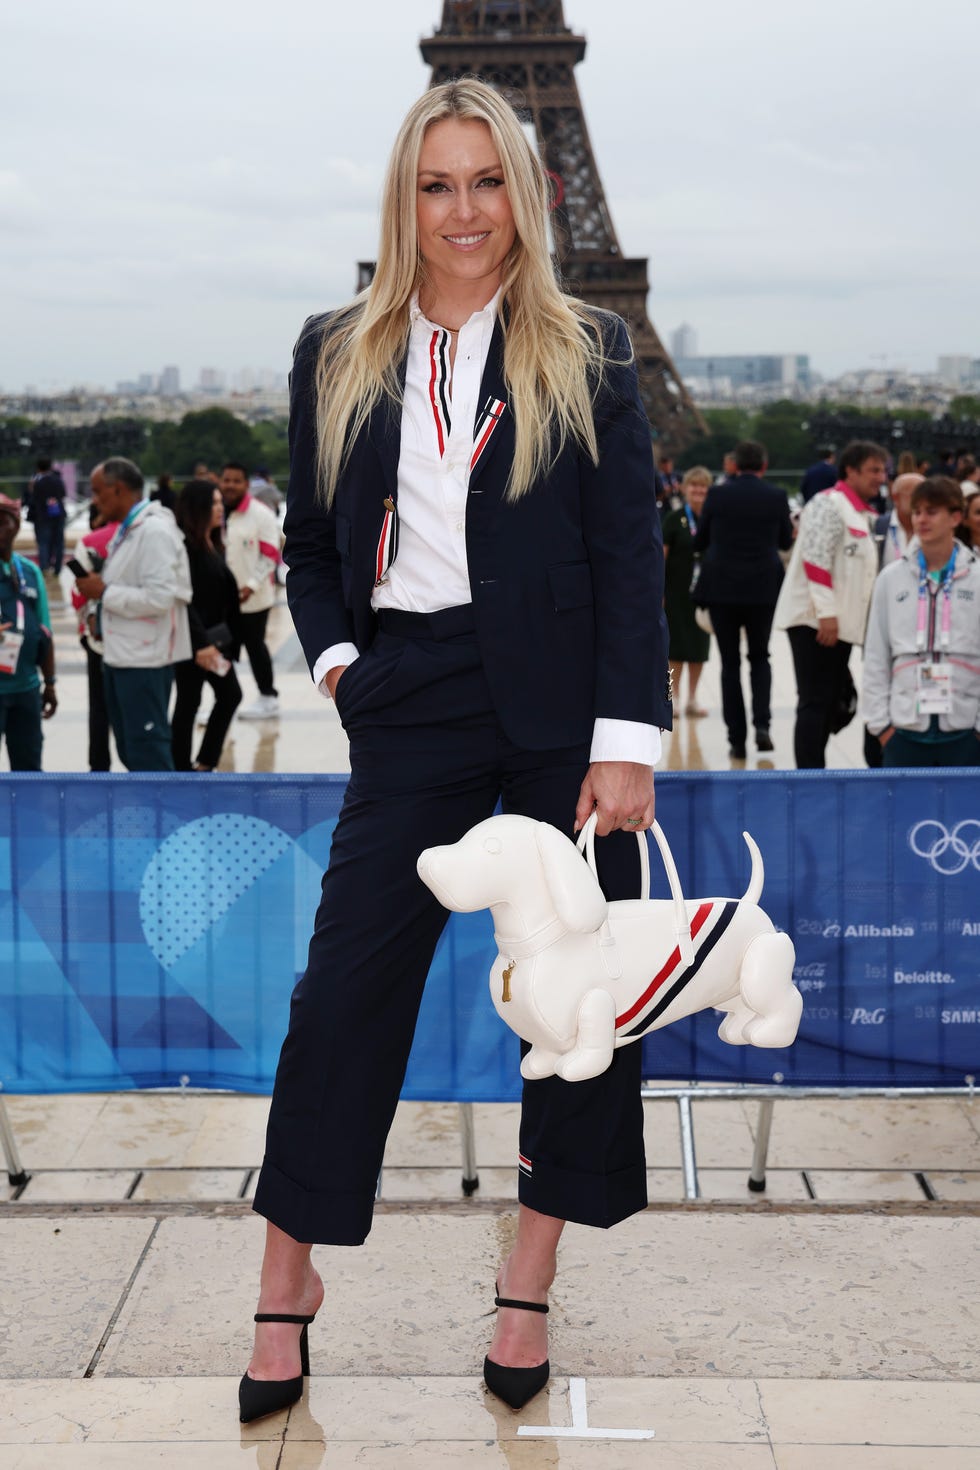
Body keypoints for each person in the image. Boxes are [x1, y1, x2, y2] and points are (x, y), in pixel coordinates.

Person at [240, 77, 670, 1425]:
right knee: (343, 993)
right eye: (438, 184)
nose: (465, 210)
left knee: (575, 1001)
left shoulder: (585, 347)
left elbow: (626, 552)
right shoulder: (336, 347)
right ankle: (286, 1272)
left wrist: (628, 741)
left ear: (527, 198)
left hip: (560, 711)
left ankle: (529, 1275)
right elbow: (310, 545)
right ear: (402, 198)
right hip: (411, 692)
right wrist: (342, 665)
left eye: (488, 182)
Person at [74, 458, 191, 772]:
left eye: (98, 492)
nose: (95, 500)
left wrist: (105, 594)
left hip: (145, 662)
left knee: (147, 752)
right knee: (130, 749)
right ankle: (145, 815)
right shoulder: (128, 530)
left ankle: (160, 817)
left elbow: (161, 597)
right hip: (122, 656)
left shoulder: (154, 532)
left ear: (118, 489)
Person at [773, 440, 886, 768]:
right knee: (814, 703)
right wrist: (826, 614)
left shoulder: (858, 512)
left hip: (835, 625)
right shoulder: (828, 503)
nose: (881, 478)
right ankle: (809, 776)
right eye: (873, 470)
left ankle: (814, 772)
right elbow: (815, 559)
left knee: (825, 703)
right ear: (850, 471)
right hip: (817, 623)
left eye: (883, 471)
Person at [864, 477, 980, 767]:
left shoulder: (977, 578)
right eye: (916, 511)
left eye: (931, 512)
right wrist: (881, 727)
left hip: (965, 731)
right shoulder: (891, 578)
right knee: (906, 813)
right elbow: (876, 654)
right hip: (904, 731)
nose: (921, 519)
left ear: (955, 517)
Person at [693, 440, 793, 758]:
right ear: (763, 466)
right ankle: (762, 725)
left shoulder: (718, 494)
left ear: (734, 465)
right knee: (760, 657)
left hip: (722, 586)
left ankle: (736, 739)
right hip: (762, 586)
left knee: (729, 663)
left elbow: (702, 540)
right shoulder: (777, 496)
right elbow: (784, 540)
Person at [171, 480, 243, 770]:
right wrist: (201, 644)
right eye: (213, 503)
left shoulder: (211, 543)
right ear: (197, 508)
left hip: (214, 641)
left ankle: (202, 764)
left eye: (219, 502)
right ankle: (183, 769)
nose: (220, 508)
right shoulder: (186, 548)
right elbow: (184, 601)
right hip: (196, 643)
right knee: (190, 702)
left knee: (224, 696)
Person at [220, 461, 282, 719]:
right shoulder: (216, 511)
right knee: (223, 649)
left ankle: (268, 696)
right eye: (226, 480)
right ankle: (224, 699)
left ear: (246, 484)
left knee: (255, 647)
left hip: (253, 599)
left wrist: (251, 586)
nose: (230, 485)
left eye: (236, 481)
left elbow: (270, 555)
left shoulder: (261, 514)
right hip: (222, 599)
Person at [0, 494, 57, 768]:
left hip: (26, 689)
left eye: (3, 522)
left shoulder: (30, 572)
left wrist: (51, 682)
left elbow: (45, 631)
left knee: (29, 770)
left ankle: (24, 812)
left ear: (16, 525)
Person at [69, 502, 120, 771]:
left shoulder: (89, 543)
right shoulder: (135, 538)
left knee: (99, 707)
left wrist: (87, 619)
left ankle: (99, 765)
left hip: (97, 641)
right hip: (135, 641)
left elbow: (78, 596)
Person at [662, 466, 711, 716]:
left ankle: (692, 697)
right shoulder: (674, 518)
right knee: (675, 651)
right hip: (675, 593)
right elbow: (662, 557)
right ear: (685, 488)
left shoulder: (712, 518)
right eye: (694, 485)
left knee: (699, 651)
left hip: (703, 595)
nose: (698, 490)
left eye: (703, 486)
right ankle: (673, 698)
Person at [27, 456, 67, 576]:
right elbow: (63, 494)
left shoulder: (37, 482)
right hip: (58, 515)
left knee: (43, 543)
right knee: (59, 543)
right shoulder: (58, 480)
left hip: (43, 516)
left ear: (38, 468)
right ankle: (58, 568)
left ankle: (44, 567)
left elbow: (33, 498)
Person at [873, 471, 921, 568]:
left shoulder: (932, 528)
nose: (921, 501)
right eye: (915, 495)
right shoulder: (878, 526)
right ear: (896, 498)